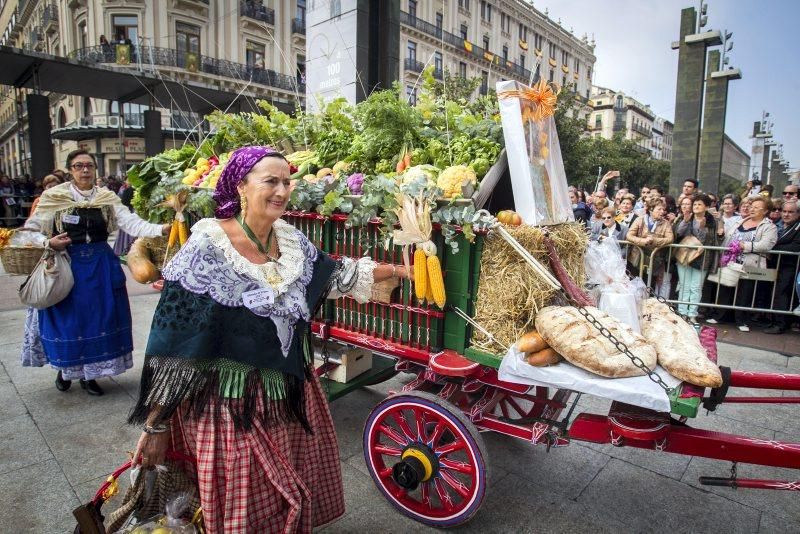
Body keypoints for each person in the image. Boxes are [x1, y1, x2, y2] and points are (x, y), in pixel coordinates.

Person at [126, 146, 411, 532]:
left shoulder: (290, 241)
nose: (282, 190)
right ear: (241, 186)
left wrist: (398, 270)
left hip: (284, 388)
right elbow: (172, 345)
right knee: (244, 489)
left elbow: (334, 276)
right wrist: (155, 425)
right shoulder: (207, 247)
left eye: (287, 181)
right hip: (227, 399)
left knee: (283, 485)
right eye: (270, 181)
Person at [20, 150, 171, 395]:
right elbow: (30, 230)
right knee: (70, 321)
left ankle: (90, 377)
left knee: (99, 319)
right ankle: (65, 370)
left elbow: (131, 223)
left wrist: (163, 228)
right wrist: (49, 243)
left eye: (89, 165)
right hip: (68, 264)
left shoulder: (105, 197)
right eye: (79, 166)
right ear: (70, 170)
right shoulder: (54, 197)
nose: (85, 170)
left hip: (101, 264)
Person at [728, 196, 778, 331]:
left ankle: (742, 320)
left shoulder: (769, 227)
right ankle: (724, 316)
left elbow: (766, 245)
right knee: (728, 286)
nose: (752, 209)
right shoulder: (741, 221)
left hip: (751, 263)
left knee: (746, 291)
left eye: (757, 207)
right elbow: (729, 236)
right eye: (752, 206)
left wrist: (746, 246)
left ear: (766, 210)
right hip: (732, 259)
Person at [674, 193, 720, 323]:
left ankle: (692, 313)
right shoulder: (686, 217)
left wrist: (702, 228)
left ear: (706, 207)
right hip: (685, 256)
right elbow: (678, 233)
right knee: (684, 285)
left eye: (700, 204)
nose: (696, 206)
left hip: (702, 258)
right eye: (695, 204)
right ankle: (682, 312)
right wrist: (685, 221)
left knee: (696, 287)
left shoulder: (712, 220)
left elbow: (710, 240)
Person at [763, 200, 799, 334]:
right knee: (775, 293)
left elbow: (795, 246)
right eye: (784, 211)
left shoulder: (798, 227)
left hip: (789, 266)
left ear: (797, 213)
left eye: (790, 212)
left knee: (782, 293)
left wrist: (773, 247)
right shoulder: (778, 226)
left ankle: (780, 323)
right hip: (776, 265)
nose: (786, 214)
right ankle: (773, 320)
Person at [624, 197, 674, 290]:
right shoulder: (640, 220)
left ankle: (648, 303)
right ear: (651, 209)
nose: (662, 211)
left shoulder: (665, 223)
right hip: (636, 258)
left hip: (654, 259)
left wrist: (654, 241)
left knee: (649, 286)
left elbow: (670, 239)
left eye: (663, 209)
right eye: (659, 209)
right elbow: (629, 235)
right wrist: (643, 241)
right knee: (633, 285)